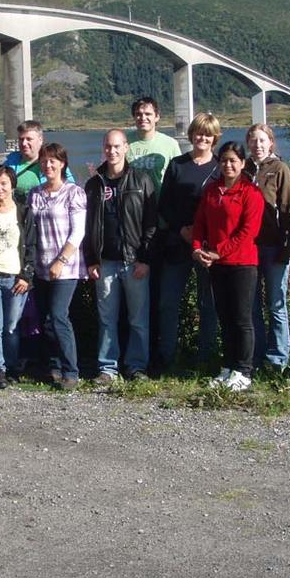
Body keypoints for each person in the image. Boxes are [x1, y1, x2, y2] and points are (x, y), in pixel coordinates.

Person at [84, 129, 158, 382]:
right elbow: (88, 225)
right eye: (108, 146)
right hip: (105, 262)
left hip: (134, 261)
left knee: (138, 319)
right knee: (107, 320)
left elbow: (151, 223)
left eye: (117, 146)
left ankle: (136, 367)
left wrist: (145, 259)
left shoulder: (141, 180)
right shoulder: (94, 184)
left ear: (126, 148)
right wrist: (91, 259)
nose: (112, 151)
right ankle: (108, 368)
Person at [192, 141, 265, 392]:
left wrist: (217, 251)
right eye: (224, 160)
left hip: (242, 263)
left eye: (234, 160)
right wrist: (197, 248)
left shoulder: (251, 193)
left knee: (242, 318)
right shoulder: (212, 191)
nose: (228, 165)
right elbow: (200, 222)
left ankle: (244, 370)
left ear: (243, 163)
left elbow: (248, 232)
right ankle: (228, 366)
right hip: (216, 264)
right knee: (224, 316)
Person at [157, 112, 221, 372]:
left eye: (208, 134)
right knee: (168, 302)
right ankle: (167, 357)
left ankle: (206, 356)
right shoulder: (177, 165)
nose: (202, 138)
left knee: (209, 303)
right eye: (198, 132)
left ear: (215, 137)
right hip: (178, 242)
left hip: (208, 247)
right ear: (191, 134)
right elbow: (165, 205)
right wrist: (182, 230)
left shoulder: (220, 167)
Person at [28, 143, 88, 390]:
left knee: (58, 316)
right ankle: (53, 366)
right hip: (41, 266)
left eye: (53, 160)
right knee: (46, 319)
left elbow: (78, 231)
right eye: (44, 160)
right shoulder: (35, 193)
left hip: (65, 267)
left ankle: (71, 371)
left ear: (62, 163)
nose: (48, 165)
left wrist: (60, 260)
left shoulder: (74, 193)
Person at [0, 165, 36, 389]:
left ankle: (12, 366)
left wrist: (26, 276)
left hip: (15, 279)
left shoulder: (24, 212)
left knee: (11, 326)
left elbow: (31, 246)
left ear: (12, 185)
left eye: (3, 183)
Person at [245, 123, 290, 370]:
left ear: (271, 143)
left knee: (276, 303)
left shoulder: (280, 169)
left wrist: (288, 247)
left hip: (274, 246)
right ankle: (256, 354)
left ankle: (278, 359)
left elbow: (287, 211)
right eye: (253, 140)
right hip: (249, 249)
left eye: (262, 140)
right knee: (251, 304)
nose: (258, 145)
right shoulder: (243, 169)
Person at [125, 96, 182, 195]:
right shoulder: (123, 141)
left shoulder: (170, 144)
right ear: (134, 117)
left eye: (148, 114)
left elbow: (179, 177)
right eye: (138, 114)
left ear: (157, 117)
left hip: (159, 205)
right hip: (131, 205)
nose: (143, 118)